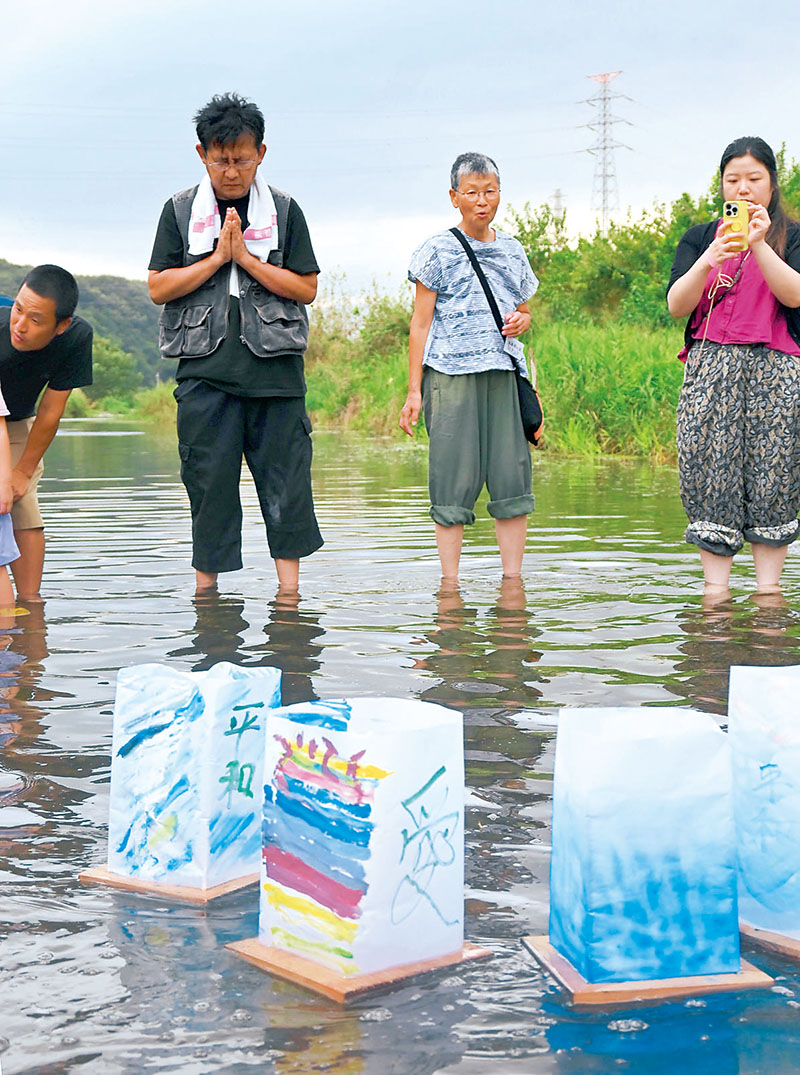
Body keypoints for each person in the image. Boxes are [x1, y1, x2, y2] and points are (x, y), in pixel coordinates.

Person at [148, 92, 323, 595]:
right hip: (204, 378)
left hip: (277, 377)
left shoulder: (285, 211)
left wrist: (248, 261)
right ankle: (209, 597)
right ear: (202, 154)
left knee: (287, 488)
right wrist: (216, 259)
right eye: (221, 159)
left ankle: (288, 600)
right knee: (209, 489)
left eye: (242, 159)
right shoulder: (179, 211)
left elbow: (306, 288)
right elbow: (159, 286)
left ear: (261, 154)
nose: (232, 170)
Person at [667, 137, 800, 596]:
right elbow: (676, 305)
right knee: (708, 470)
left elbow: (795, 295)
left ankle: (768, 600)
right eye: (733, 180)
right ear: (721, 184)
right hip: (712, 367)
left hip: (777, 370)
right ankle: (715, 598)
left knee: (774, 474)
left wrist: (760, 245)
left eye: (754, 179)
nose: (743, 189)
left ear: (772, 183)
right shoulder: (700, 237)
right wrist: (711, 257)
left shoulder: (794, 235)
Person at [400, 152, 537, 581]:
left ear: (500, 194)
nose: (482, 200)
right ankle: (450, 587)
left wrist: (523, 320)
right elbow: (420, 324)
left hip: (503, 373)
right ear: (454, 197)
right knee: (452, 482)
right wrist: (413, 392)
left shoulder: (513, 251)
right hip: (449, 376)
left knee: (512, 478)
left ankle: (513, 585)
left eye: (490, 191)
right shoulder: (435, 251)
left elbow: (525, 312)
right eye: (472, 192)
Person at [0, 266, 93, 600]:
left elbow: (51, 411)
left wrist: (22, 472)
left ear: (61, 326)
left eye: (36, 320)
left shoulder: (76, 337)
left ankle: (31, 611)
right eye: (18, 310)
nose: (20, 325)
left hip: (18, 420)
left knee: (21, 502)